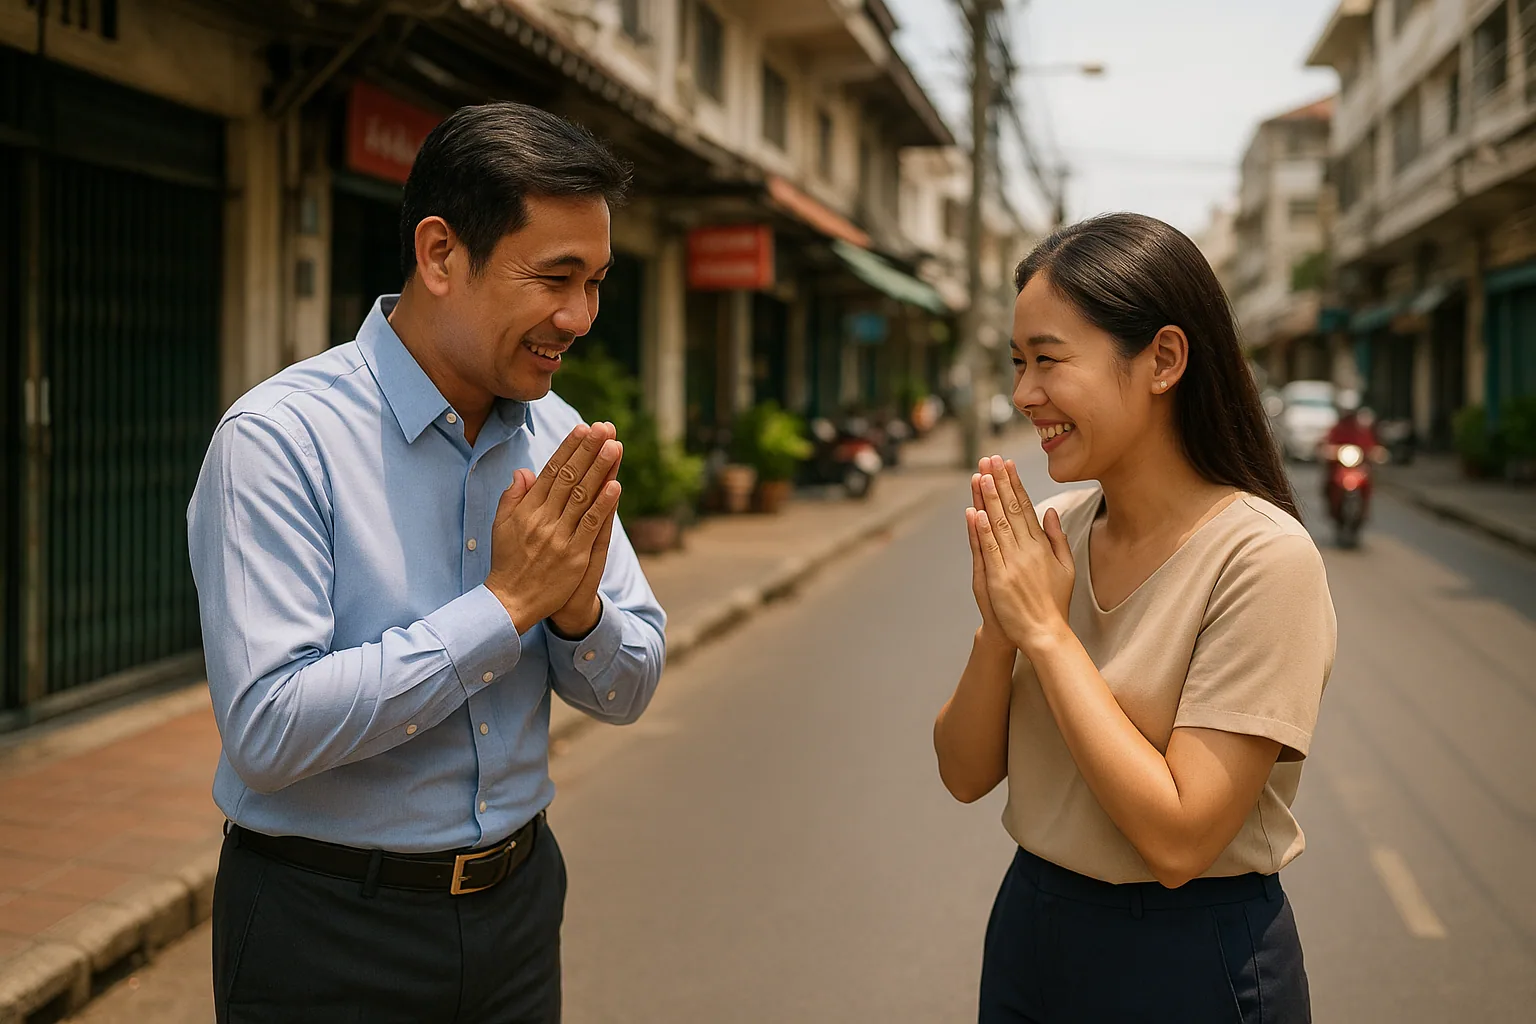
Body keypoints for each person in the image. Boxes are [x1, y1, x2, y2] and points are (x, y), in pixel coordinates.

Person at [188, 102, 666, 1024]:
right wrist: (506, 603)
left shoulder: (560, 436)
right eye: (554, 277)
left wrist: (574, 613)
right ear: (441, 254)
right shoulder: (280, 441)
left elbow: (631, 686)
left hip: (519, 909)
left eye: (597, 281)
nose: (580, 316)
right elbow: (269, 729)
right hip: (325, 926)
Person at [934, 213, 1336, 1023]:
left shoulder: (1261, 558)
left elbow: (1182, 839)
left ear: (1163, 359)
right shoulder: (1057, 531)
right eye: (1018, 364)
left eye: (1048, 360)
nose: (1023, 395)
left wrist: (1048, 635)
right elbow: (965, 773)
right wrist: (1000, 628)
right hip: (1032, 927)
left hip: (1190, 959)